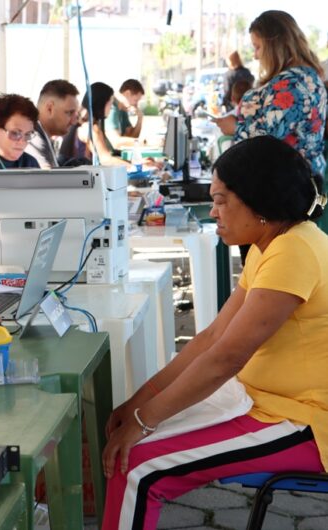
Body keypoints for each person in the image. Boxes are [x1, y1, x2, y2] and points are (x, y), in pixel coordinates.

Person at [101, 135, 328, 530]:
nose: (213, 211)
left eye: (222, 200)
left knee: (137, 465)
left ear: (258, 200)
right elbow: (210, 339)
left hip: (303, 421)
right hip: (260, 401)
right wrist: (138, 404)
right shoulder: (272, 243)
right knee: (135, 446)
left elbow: (226, 357)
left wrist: (143, 420)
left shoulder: (294, 251)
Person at [215, 10, 327, 176]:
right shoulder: (309, 77)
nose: (255, 56)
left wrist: (235, 128)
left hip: (289, 186)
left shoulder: (290, 85)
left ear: (275, 44)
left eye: (257, 47)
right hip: (303, 180)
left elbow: (267, 141)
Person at [25, 79, 80, 168]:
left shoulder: (41, 136)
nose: (74, 121)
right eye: (69, 113)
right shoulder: (34, 139)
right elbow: (48, 180)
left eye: (76, 114)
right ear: (50, 108)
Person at [105, 79, 146, 149]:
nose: (136, 105)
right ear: (127, 93)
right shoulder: (111, 108)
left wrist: (140, 119)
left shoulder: (123, 110)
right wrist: (145, 142)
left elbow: (131, 137)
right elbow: (116, 142)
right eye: (136, 100)